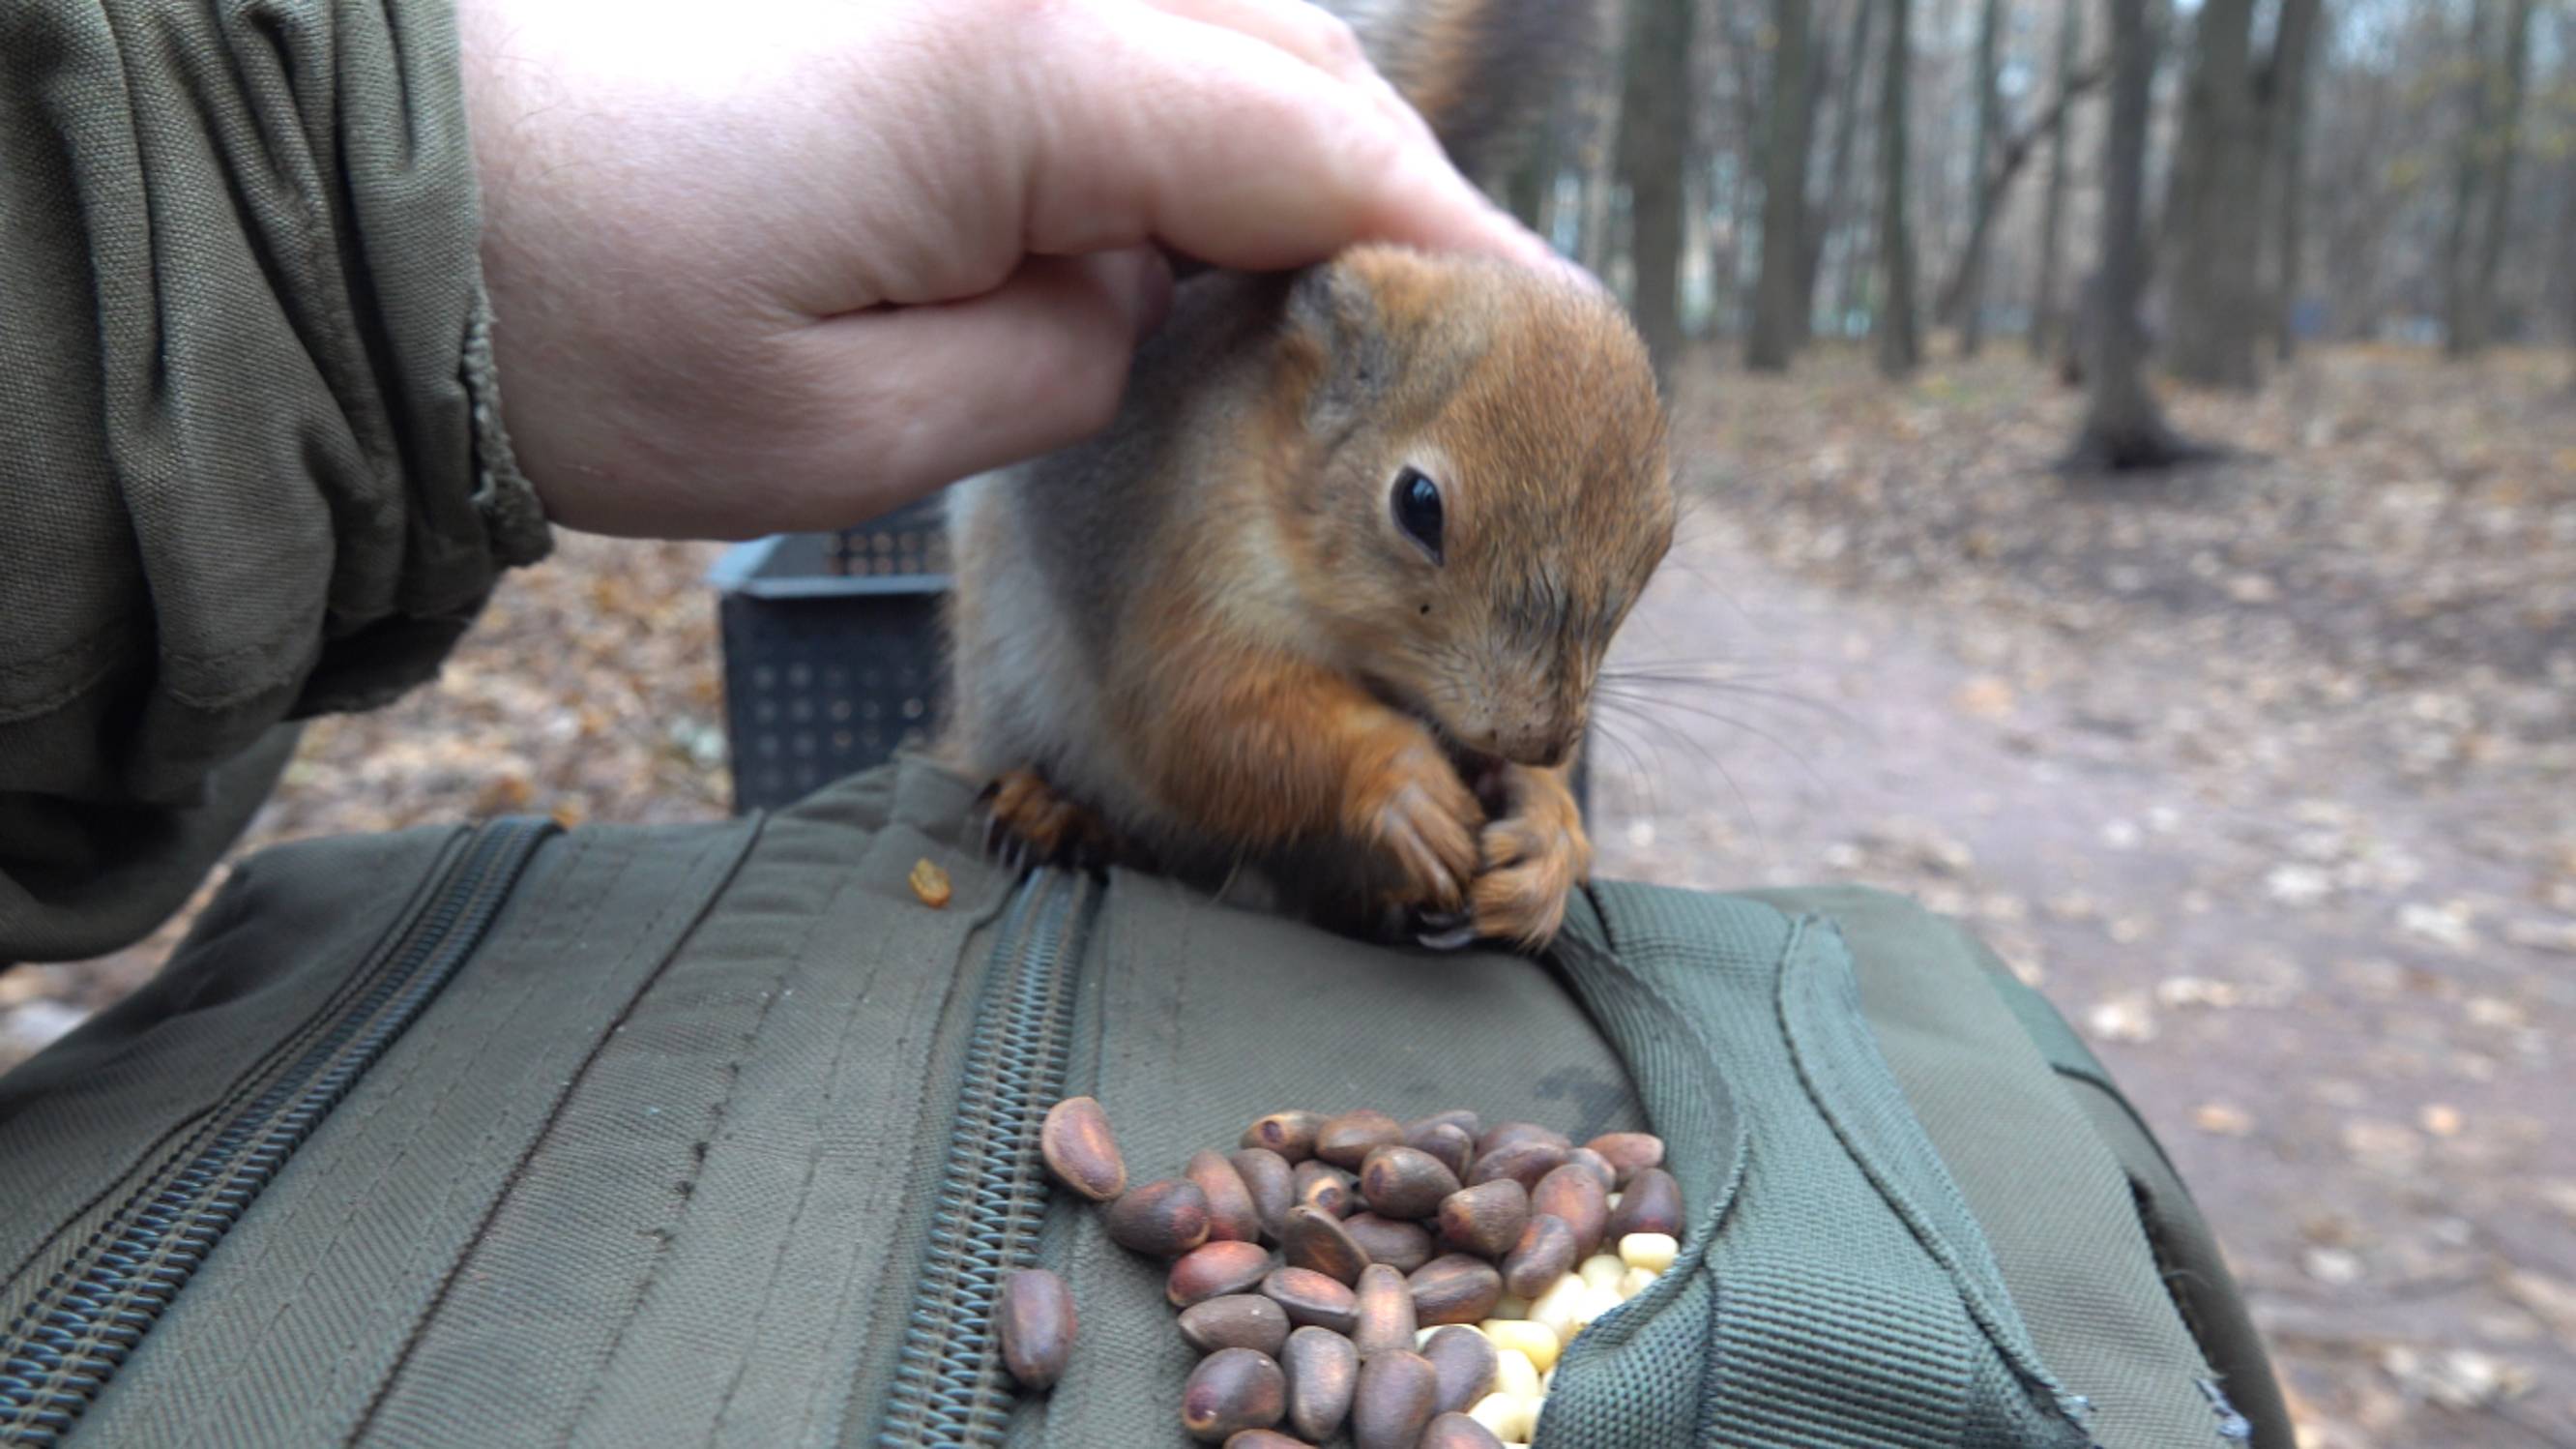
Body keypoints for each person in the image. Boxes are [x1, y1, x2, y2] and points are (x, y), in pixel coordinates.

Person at [0, 0, 1566, 967]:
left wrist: (1536, 816)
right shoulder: (1260, 476)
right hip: (1138, 751)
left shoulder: (1482, 569)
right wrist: (468, 213)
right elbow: (1197, 704)